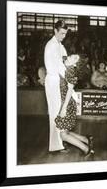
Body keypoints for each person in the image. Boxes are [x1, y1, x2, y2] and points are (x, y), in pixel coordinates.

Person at [55, 54, 94, 157]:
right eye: (73, 55)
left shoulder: (71, 71)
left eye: (75, 58)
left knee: (63, 135)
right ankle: (86, 139)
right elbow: (61, 56)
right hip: (65, 103)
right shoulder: (66, 66)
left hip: (67, 104)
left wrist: (63, 108)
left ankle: (86, 149)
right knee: (65, 131)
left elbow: (69, 91)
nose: (72, 56)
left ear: (76, 64)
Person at [44, 20, 68, 152]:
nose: (63, 36)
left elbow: (65, 60)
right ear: (55, 31)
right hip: (53, 81)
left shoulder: (59, 45)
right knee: (55, 113)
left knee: (60, 112)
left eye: (65, 34)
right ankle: (56, 146)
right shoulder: (51, 45)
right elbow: (54, 68)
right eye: (62, 33)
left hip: (59, 80)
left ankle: (61, 142)